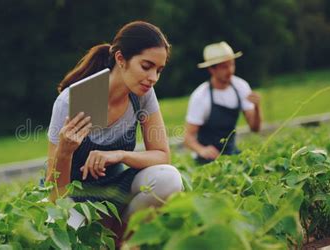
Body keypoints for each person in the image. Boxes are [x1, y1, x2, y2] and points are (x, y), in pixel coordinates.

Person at [45, 21, 182, 240]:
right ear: (120, 59)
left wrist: (119, 155)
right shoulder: (75, 101)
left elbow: (162, 156)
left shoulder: (142, 94)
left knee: (169, 179)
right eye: (146, 67)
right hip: (73, 196)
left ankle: (122, 242)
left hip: (114, 189)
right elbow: (54, 193)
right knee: (58, 226)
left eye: (159, 70)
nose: (153, 78)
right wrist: (65, 151)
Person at [184, 41, 262, 164]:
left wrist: (257, 107)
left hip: (231, 154)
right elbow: (188, 137)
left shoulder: (241, 87)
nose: (230, 70)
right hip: (208, 159)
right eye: (224, 67)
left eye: (232, 64)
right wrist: (202, 150)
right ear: (212, 70)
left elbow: (255, 128)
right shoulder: (200, 96)